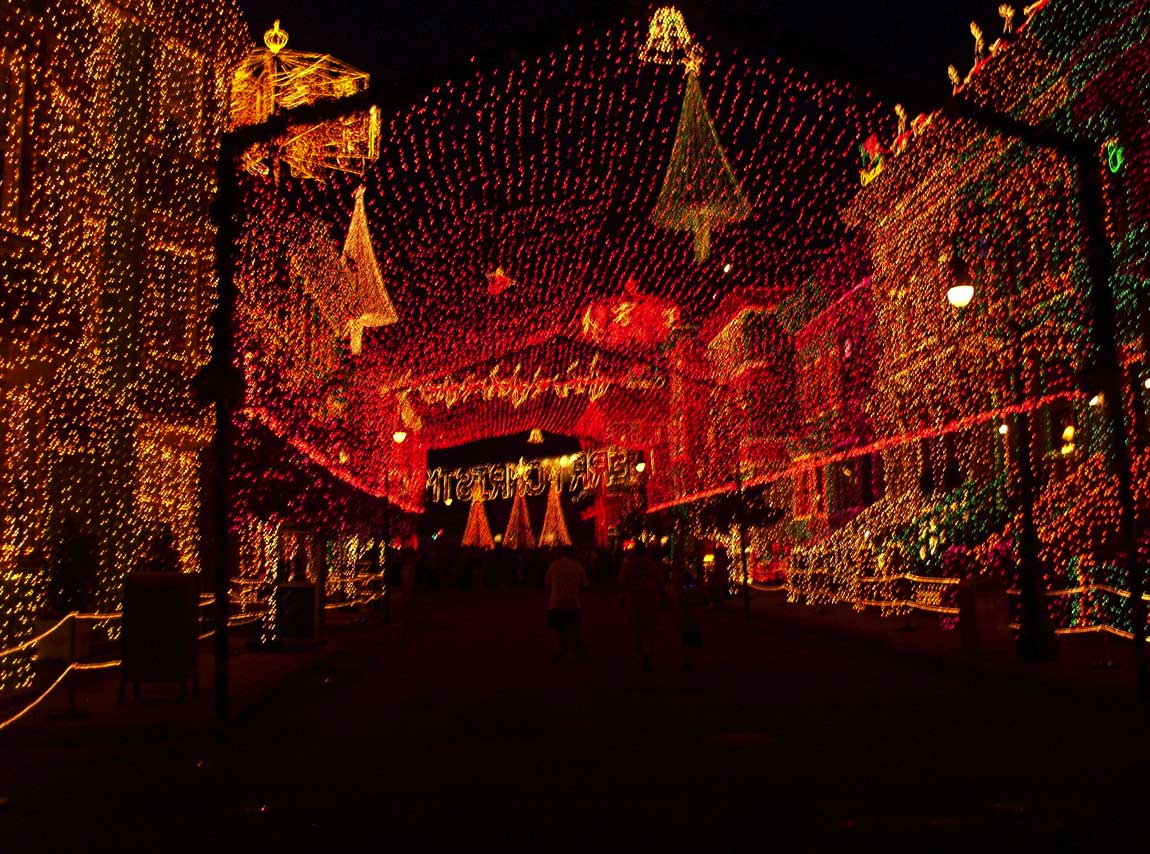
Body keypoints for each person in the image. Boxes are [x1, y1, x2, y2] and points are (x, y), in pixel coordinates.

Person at [619, 541, 664, 671]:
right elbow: (660, 579)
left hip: (634, 599)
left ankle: (640, 651)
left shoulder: (629, 565)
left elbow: (622, 582)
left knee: (637, 627)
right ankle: (647, 652)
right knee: (649, 628)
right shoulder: (651, 565)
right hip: (650, 599)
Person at [545, 547, 589, 661]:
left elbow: (547, 584)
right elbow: (584, 585)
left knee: (559, 629)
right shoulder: (578, 566)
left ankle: (562, 650)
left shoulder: (553, 565)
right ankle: (575, 650)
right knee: (574, 628)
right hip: (573, 602)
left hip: (556, 602)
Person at [675, 569, 707, 671]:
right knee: (692, 640)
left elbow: (678, 603)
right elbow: (704, 599)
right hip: (694, 618)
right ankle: (691, 660)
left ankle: (688, 660)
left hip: (687, 618)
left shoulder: (683, 591)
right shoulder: (696, 590)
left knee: (687, 640)